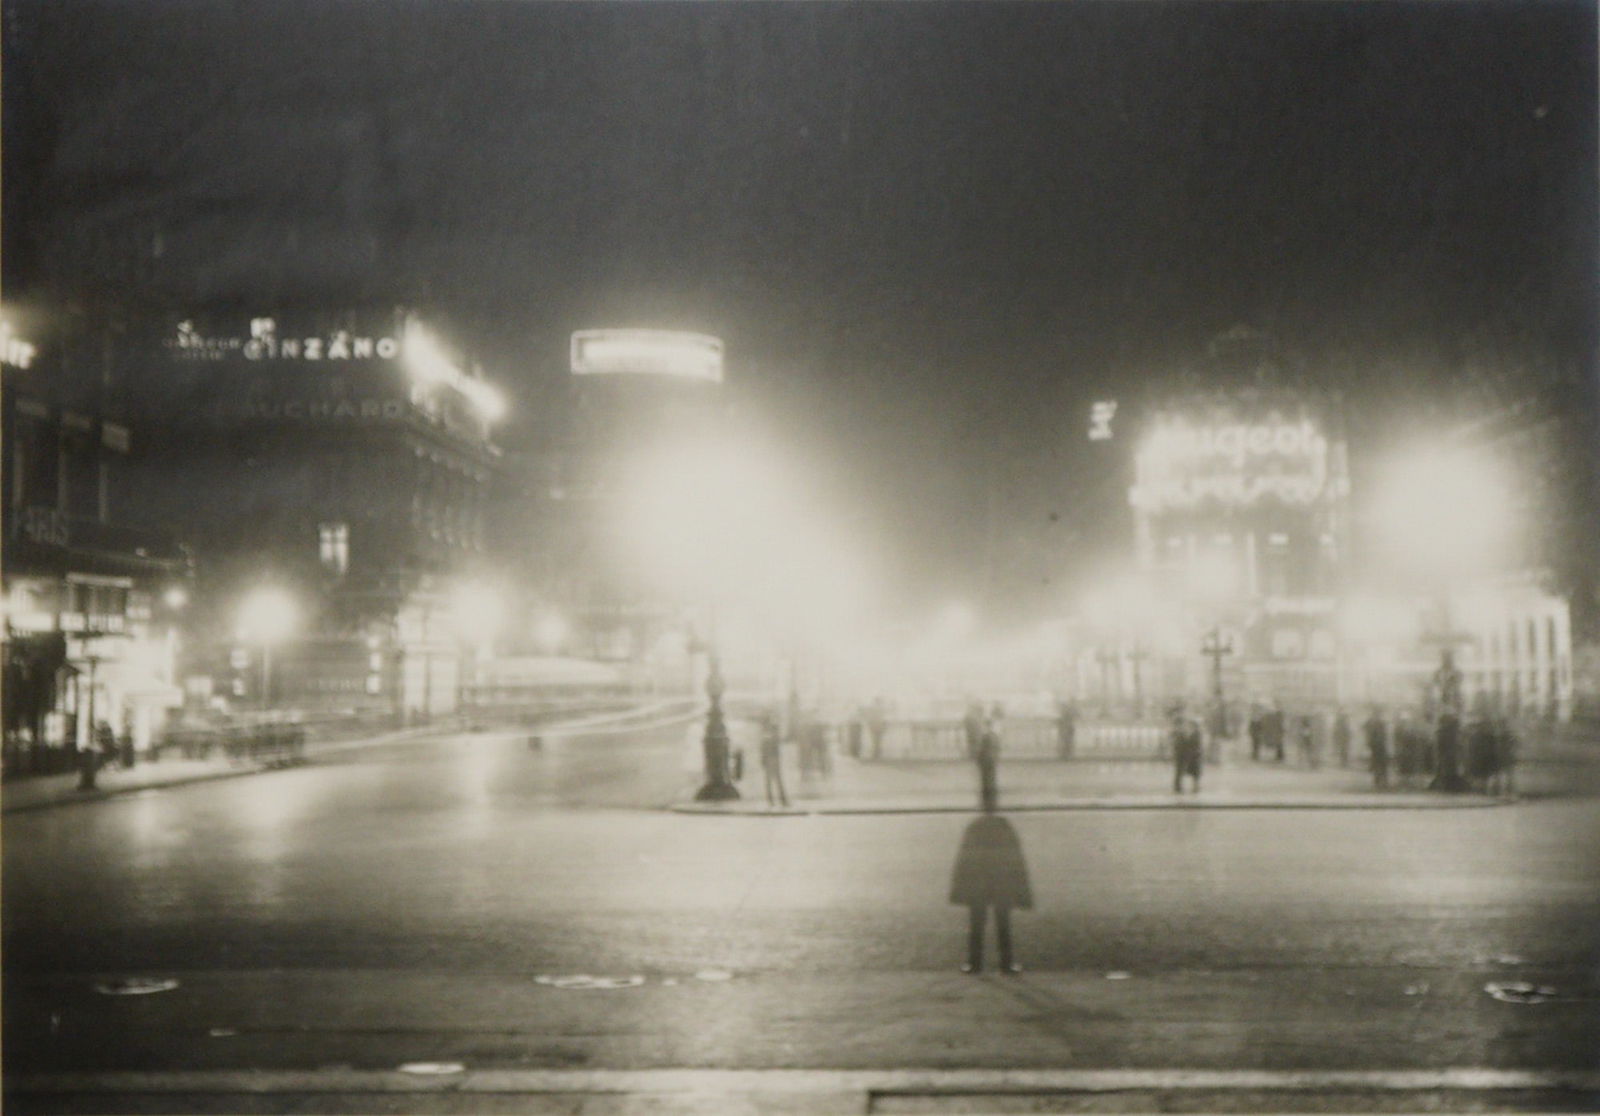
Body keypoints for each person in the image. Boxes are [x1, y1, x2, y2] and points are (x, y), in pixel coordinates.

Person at [949, 806, 1033, 974]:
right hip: (1000, 881)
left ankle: (975, 963)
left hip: (979, 881)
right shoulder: (1004, 826)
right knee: (1003, 922)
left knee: (977, 922)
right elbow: (1014, 858)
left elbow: (965, 858)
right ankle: (1006, 964)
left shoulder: (975, 826)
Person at [758, 708, 789, 807]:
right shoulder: (769, 731)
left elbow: (766, 746)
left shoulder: (769, 731)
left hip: (771, 758)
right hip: (772, 758)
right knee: (775, 780)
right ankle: (779, 800)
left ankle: (776, 800)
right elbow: (766, 746)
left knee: (773, 780)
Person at [1171, 710, 1202, 793]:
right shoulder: (1179, 733)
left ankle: (1193, 787)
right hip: (1182, 754)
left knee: (1193, 772)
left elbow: (1195, 744)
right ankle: (1178, 787)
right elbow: (1178, 744)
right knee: (1180, 771)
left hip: (1193, 755)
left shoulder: (1194, 733)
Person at [975, 720, 1001, 810]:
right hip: (992, 761)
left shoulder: (985, 737)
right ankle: (993, 802)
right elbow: (997, 749)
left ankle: (986, 803)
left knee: (985, 782)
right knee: (992, 780)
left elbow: (981, 751)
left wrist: (978, 760)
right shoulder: (995, 736)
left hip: (985, 761)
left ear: (986, 726)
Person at [1364, 706, 1390, 790]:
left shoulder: (1375, 722)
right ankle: (1380, 781)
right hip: (1378, 745)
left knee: (1379, 763)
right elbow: (1381, 735)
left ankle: (1379, 780)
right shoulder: (1378, 723)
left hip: (1378, 745)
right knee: (1380, 763)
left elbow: (1381, 734)